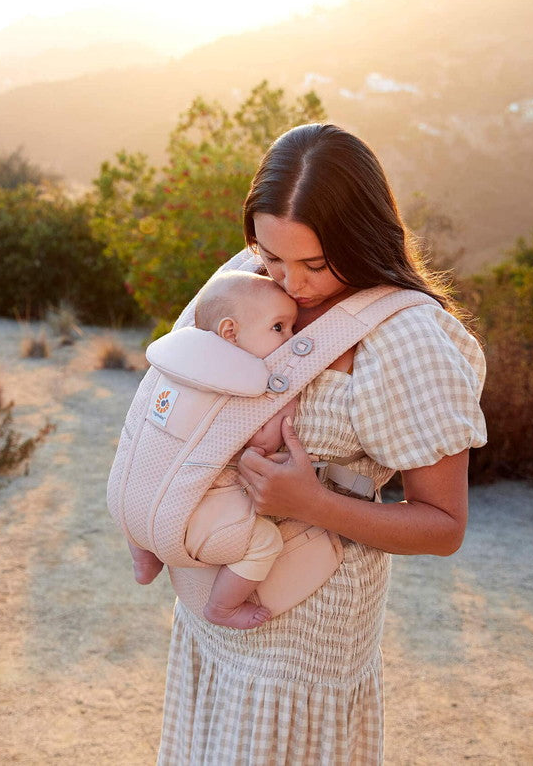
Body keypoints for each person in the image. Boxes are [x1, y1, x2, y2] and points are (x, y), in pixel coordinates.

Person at [156, 123, 487, 764]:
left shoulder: (406, 338)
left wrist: (310, 502)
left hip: (306, 640)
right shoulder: (246, 280)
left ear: (363, 238)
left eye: (314, 263)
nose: (292, 284)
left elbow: (444, 527)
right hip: (212, 610)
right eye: (272, 255)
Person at [127, 270, 301, 629]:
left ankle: (143, 560)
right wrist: (287, 406)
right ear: (230, 333)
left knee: (138, 496)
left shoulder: (175, 362)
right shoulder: (244, 383)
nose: (292, 337)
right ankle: (222, 606)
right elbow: (264, 443)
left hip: (127, 501)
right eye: (279, 327)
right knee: (265, 541)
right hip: (187, 519)